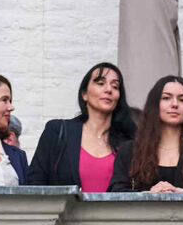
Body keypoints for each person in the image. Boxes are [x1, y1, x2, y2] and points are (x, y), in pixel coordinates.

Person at [27, 62, 135, 192]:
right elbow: (35, 183)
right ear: (84, 94)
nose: (108, 90)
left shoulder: (129, 142)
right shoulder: (57, 131)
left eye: (115, 86)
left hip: (114, 213)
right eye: (100, 83)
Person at [115, 75, 183, 191]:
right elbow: (117, 192)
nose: (174, 104)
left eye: (182, 100)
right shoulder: (129, 151)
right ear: (155, 105)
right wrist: (147, 195)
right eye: (166, 98)